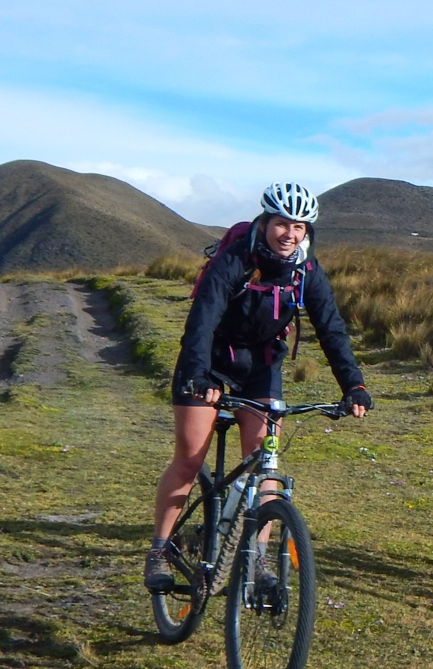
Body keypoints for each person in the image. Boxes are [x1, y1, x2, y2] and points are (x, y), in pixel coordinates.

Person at [144, 182, 373, 591]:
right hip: (210, 361)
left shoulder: (306, 270)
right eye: (283, 223)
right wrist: (199, 373)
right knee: (190, 458)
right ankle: (160, 551)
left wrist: (353, 384)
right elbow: (202, 318)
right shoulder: (237, 259)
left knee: (265, 463)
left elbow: (332, 328)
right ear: (266, 222)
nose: (290, 233)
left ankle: (258, 561)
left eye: (299, 226)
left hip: (261, 365)